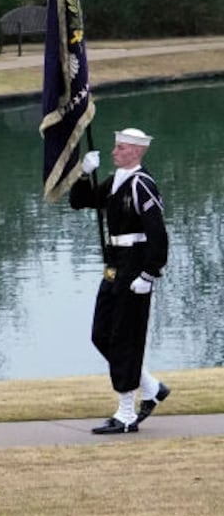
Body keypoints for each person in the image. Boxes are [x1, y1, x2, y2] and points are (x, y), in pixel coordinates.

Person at [71, 128, 171, 433]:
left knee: (125, 337)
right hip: (114, 264)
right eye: (116, 147)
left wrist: (149, 273)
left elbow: (158, 235)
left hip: (135, 266)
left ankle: (127, 414)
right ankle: (151, 386)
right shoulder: (116, 181)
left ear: (138, 152)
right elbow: (81, 202)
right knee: (102, 334)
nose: (115, 153)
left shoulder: (142, 185)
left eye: (122, 149)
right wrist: (83, 174)